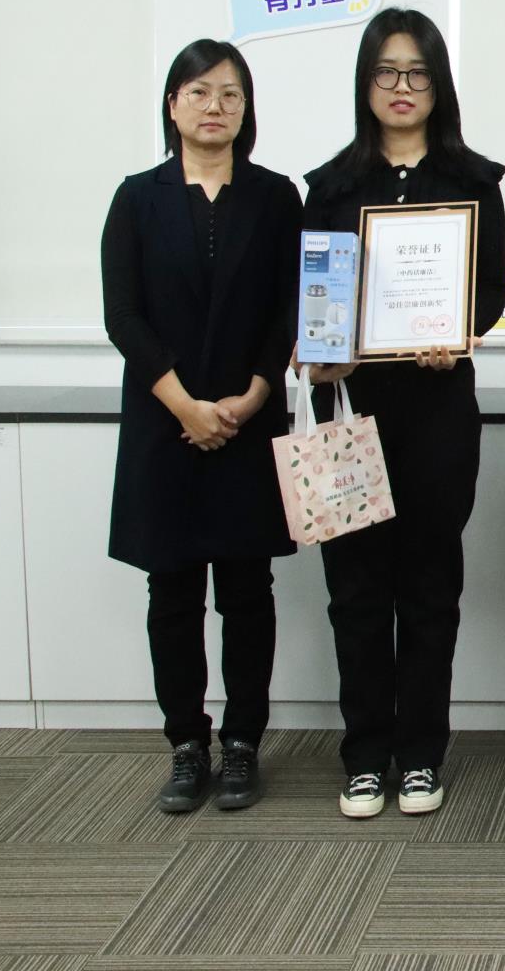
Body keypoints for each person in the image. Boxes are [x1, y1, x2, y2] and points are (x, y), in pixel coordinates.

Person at [302, 7, 505, 819]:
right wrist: (322, 349)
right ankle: (364, 755)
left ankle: (420, 754)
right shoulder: (329, 187)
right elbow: (312, 302)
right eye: (386, 71)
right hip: (348, 414)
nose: (401, 87)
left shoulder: (474, 183)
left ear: (438, 83)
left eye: (417, 72)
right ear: (366, 81)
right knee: (354, 591)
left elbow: (489, 292)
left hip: (436, 414)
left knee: (428, 588)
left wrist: (455, 334)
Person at [100, 40, 301, 813]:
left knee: (248, 591)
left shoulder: (275, 197)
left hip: (250, 418)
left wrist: (253, 394)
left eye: (231, 94)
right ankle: (187, 743)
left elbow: (287, 307)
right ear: (173, 104)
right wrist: (185, 404)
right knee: (174, 591)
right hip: (166, 424)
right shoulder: (136, 199)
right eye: (199, 91)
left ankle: (243, 742)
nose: (215, 106)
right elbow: (124, 316)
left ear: (246, 110)